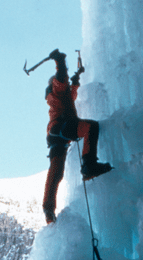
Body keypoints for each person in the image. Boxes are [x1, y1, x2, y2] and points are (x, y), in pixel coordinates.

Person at [42, 49, 112, 224]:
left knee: (56, 172)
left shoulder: (60, 95)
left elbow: (71, 91)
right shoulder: (57, 90)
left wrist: (77, 77)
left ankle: (48, 210)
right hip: (62, 128)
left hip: (56, 135)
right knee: (91, 127)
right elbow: (62, 78)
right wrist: (60, 60)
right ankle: (89, 165)